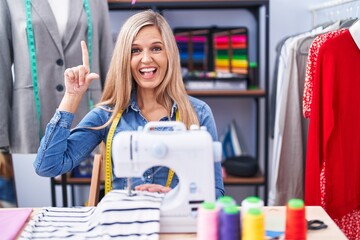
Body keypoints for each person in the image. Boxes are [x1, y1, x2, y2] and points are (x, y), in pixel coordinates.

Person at [34, 10, 225, 198]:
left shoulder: (198, 113)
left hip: (174, 223)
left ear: (170, 54)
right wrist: (71, 96)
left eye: (156, 48)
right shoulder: (107, 115)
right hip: (123, 223)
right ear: (125, 59)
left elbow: (215, 190)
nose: (146, 59)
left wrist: (174, 196)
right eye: (135, 50)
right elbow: (47, 166)